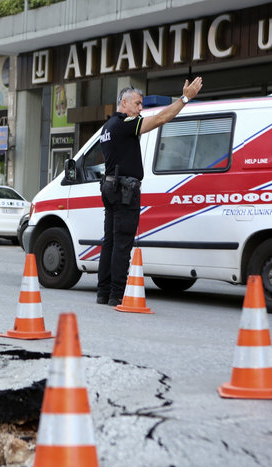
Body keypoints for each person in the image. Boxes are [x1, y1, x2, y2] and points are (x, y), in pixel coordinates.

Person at [97, 77, 203, 306]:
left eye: (141, 104)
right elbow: (162, 118)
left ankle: (103, 292)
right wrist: (185, 98)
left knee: (110, 242)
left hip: (110, 186)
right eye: (137, 104)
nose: (140, 108)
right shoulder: (126, 124)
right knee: (122, 243)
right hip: (125, 190)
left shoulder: (107, 126)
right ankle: (117, 295)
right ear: (123, 103)